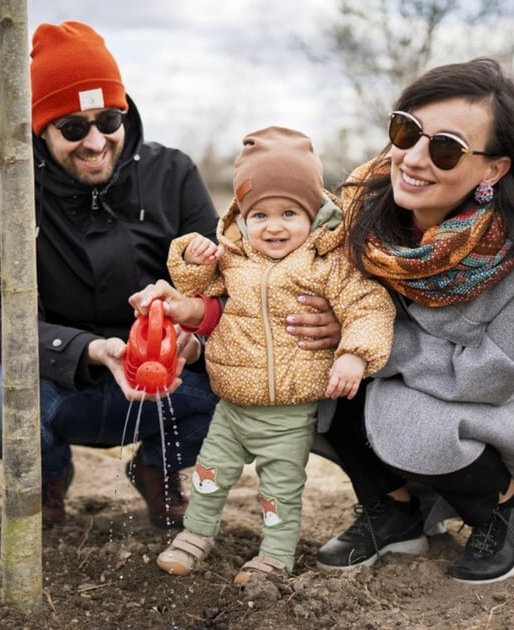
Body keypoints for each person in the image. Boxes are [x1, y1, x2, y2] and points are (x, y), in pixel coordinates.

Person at [0, 21, 341, 529]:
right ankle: (46, 473)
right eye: (72, 128)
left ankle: (158, 468)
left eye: (108, 120)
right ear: (39, 129)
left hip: (168, 379)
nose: (95, 141)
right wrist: (91, 351)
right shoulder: (3, 186)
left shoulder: (172, 173)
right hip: (57, 379)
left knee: (253, 387)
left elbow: (228, 281)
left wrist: (194, 336)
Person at [314, 57, 514, 584]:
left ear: (493, 169)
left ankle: (505, 509)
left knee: (404, 413)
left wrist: (378, 348)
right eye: (406, 131)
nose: (414, 159)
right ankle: (394, 511)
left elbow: (498, 374)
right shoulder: (362, 215)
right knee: (303, 372)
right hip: (420, 383)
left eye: (445, 149)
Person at [149, 127, 395, 584]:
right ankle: (195, 535)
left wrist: (354, 355)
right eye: (259, 213)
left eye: (289, 212)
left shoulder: (328, 262)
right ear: (241, 216)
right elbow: (196, 293)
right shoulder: (232, 257)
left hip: (288, 412)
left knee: (280, 490)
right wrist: (194, 258)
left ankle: (275, 557)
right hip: (233, 406)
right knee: (209, 475)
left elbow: (369, 307)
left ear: (315, 213)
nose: (274, 225)